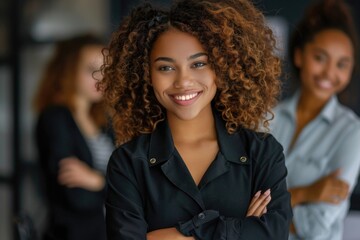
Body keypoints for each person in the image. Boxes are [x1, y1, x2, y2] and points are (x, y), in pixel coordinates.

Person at [99, 0, 292, 239]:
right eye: (166, 68)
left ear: (223, 69)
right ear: (147, 75)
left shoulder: (262, 153)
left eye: (198, 64)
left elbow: (273, 234)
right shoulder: (128, 162)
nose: (183, 81)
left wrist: (177, 236)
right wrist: (239, 230)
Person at [270, 0, 360, 239]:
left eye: (342, 64)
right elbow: (239, 200)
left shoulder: (352, 132)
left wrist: (263, 209)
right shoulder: (267, 117)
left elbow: (315, 229)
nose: (330, 73)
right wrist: (305, 193)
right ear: (299, 56)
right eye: (320, 58)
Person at [33, 34, 114, 240]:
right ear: (69, 71)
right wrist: (112, 186)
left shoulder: (102, 121)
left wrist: (98, 181)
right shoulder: (55, 117)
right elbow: (77, 198)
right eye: (91, 70)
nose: (101, 77)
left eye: (105, 70)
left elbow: (137, 184)